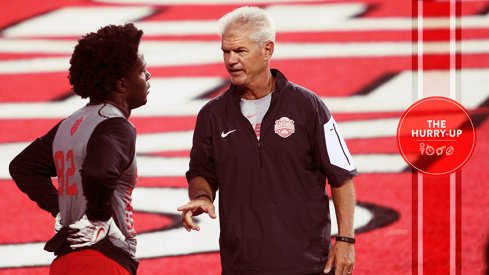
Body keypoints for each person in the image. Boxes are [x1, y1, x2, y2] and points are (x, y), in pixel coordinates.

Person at [177, 6, 358, 275]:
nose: (231, 60)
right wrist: (202, 196)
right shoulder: (212, 115)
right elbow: (201, 172)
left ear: (267, 50)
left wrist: (345, 240)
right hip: (241, 264)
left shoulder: (308, 106)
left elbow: (341, 177)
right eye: (226, 52)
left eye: (240, 51)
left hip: (306, 263)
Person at [9, 23, 151, 275]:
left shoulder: (70, 124)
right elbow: (100, 172)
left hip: (66, 261)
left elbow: (23, 167)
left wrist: (59, 208)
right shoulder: (117, 126)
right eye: (142, 71)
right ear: (121, 84)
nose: (148, 76)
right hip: (103, 261)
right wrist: (98, 217)